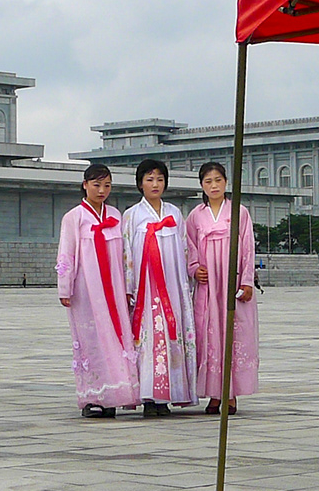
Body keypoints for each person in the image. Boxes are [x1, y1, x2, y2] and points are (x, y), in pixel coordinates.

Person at [56, 164, 137, 417]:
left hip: (114, 287)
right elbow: (66, 254)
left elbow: (126, 255)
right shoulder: (74, 217)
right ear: (85, 185)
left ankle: (115, 395)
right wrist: (65, 287)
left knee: (116, 337)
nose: (102, 190)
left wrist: (129, 286)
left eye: (107, 185)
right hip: (87, 288)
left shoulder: (115, 215)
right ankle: (93, 397)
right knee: (91, 340)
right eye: (97, 185)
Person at [121, 158, 198, 416]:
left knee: (170, 335)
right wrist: (129, 287)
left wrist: (186, 283)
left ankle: (168, 395)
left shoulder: (174, 213)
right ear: (140, 184)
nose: (155, 184)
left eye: (160, 179)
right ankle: (148, 397)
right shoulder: (131, 215)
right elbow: (126, 254)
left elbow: (185, 250)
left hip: (172, 287)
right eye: (149, 179)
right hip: (145, 288)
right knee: (148, 339)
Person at [185, 161, 257, 415]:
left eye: (218, 180)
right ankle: (214, 394)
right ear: (201, 186)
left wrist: (247, 280)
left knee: (232, 335)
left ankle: (231, 394)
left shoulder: (239, 212)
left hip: (231, 282)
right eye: (208, 181)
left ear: (226, 182)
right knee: (209, 337)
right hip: (208, 287)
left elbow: (247, 247)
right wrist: (195, 268)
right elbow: (190, 248)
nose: (213, 186)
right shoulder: (195, 216)